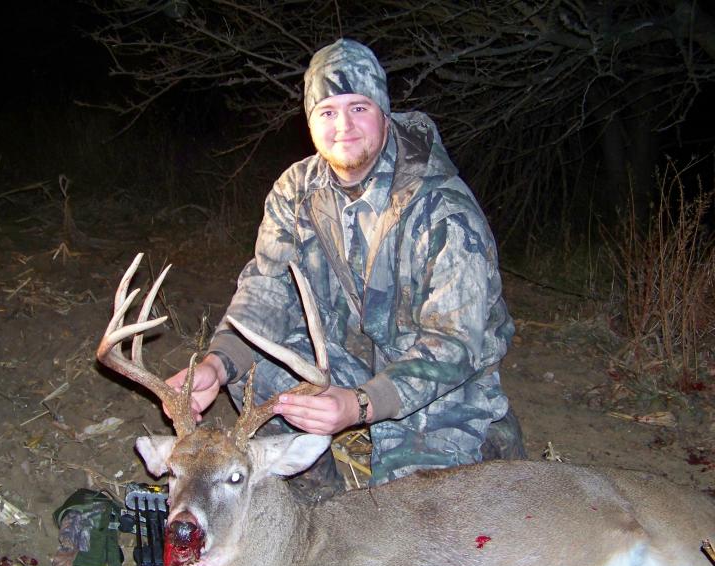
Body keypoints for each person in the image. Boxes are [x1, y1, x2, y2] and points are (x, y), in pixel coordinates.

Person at [166, 38, 524, 494]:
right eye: (328, 111)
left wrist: (359, 405)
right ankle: (320, 510)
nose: (343, 127)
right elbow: (268, 289)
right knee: (259, 373)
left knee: (410, 522)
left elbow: (456, 343)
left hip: (437, 379)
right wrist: (217, 363)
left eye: (359, 108)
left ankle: (491, 440)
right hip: (352, 357)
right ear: (311, 120)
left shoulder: (443, 209)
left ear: (384, 112)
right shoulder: (296, 189)